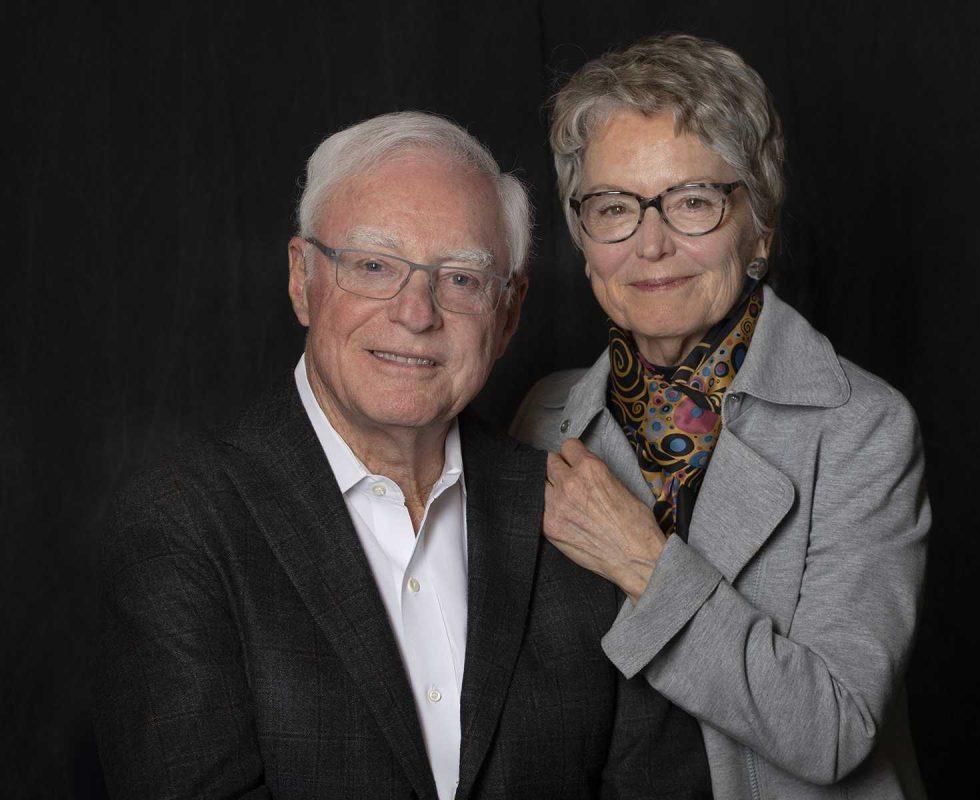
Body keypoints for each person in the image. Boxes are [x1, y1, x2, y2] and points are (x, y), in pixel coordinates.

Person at [93, 111, 711, 800]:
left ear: (507, 314)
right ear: (303, 279)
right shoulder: (184, 520)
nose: (416, 313)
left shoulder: (579, 514)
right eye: (374, 266)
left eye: (461, 279)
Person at [511, 35, 931, 799]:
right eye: (613, 208)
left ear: (759, 226)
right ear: (583, 241)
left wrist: (643, 561)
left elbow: (832, 729)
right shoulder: (546, 417)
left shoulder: (862, 428)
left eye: (693, 201)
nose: (652, 244)